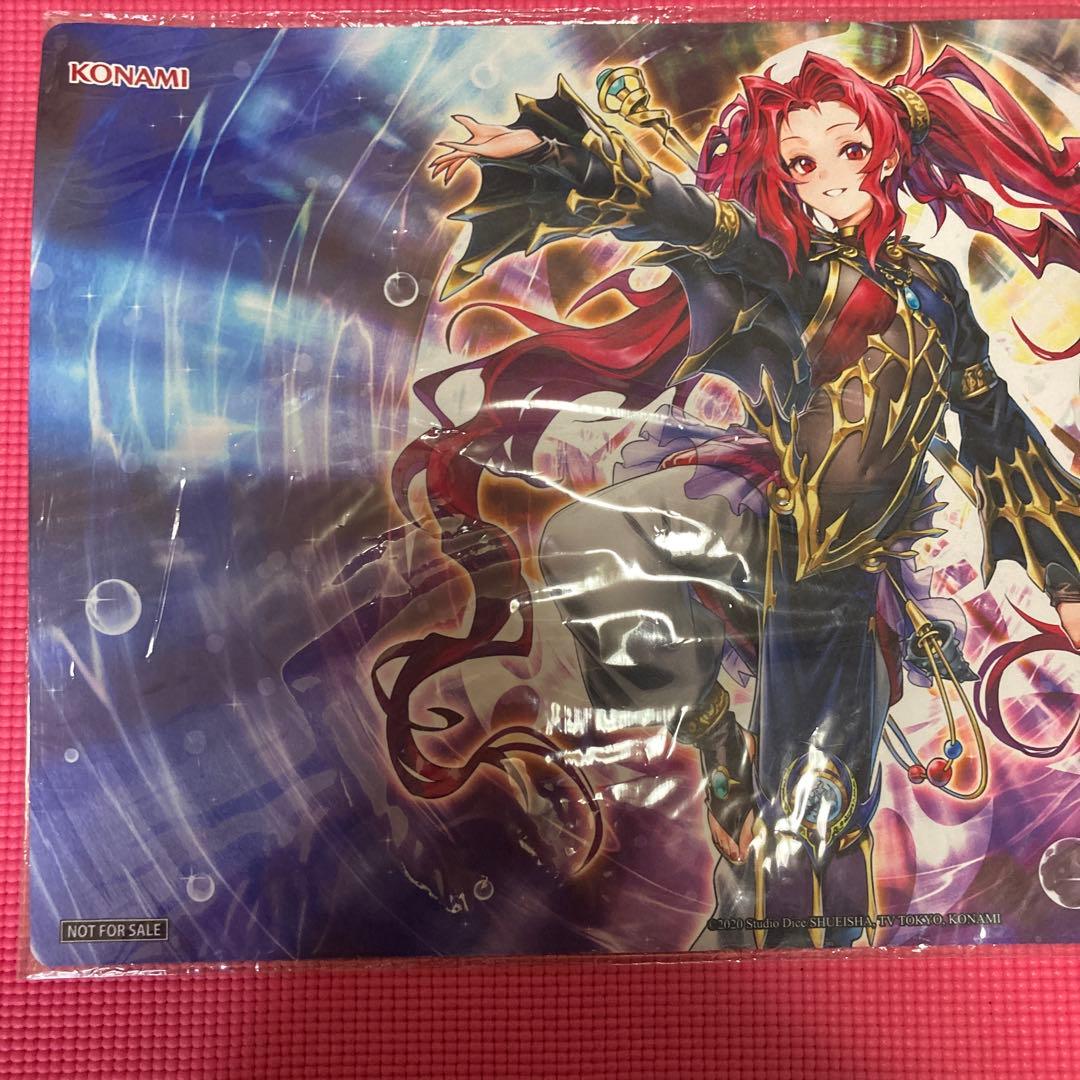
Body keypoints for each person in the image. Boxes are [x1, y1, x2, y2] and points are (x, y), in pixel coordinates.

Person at [380, 36, 1080, 948]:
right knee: (596, 551)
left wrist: (1066, 579)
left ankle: (805, 953)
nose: (832, 177)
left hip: (851, 566)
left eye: (849, 149)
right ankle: (715, 747)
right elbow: (689, 219)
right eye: (802, 162)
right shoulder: (792, 268)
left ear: (884, 147)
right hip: (769, 525)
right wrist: (561, 156)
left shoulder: (937, 290)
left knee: (826, 805)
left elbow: (997, 434)